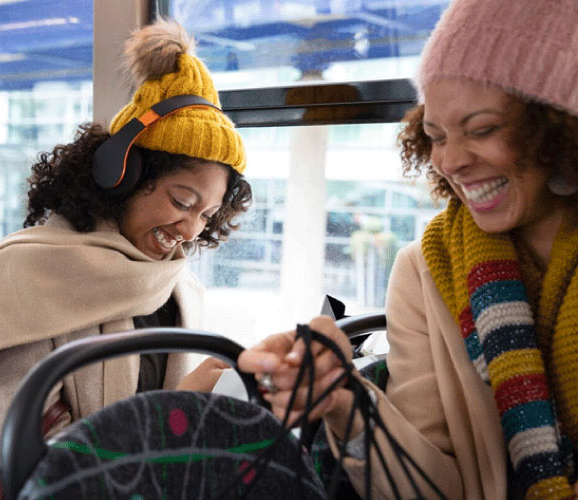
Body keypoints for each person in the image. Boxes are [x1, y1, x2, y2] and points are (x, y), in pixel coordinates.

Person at [0, 19, 251, 499]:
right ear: (125, 176)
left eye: (208, 214)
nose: (191, 230)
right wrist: (180, 410)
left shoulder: (179, 287)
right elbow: (41, 459)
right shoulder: (24, 276)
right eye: (181, 202)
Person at [239, 0, 578, 498]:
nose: (451, 161)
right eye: (435, 136)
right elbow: (434, 487)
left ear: (557, 129)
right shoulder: (425, 272)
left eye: (481, 130)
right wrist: (346, 404)